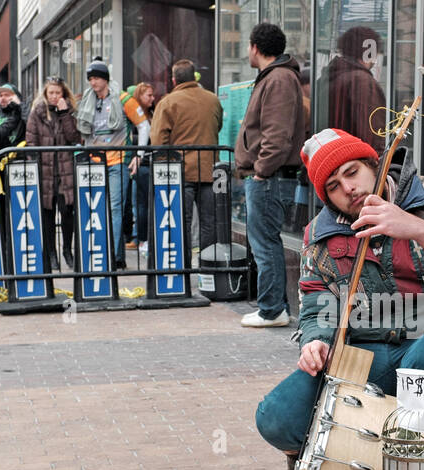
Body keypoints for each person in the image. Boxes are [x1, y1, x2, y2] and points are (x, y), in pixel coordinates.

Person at [255, 127, 424, 470]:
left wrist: (416, 228)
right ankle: (316, 460)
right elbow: (315, 302)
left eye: (352, 172)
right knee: (276, 416)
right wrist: (317, 340)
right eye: (334, 186)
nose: (348, 189)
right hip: (365, 353)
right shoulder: (318, 234)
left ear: (374, 163)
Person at [234, 22, 306, 327]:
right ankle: (273, 306)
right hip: (271, 177)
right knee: (266, 241)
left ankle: (272, 308)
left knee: (265, 242)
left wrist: (262, 171)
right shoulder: (277, 77)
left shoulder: (277, 79)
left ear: (255, 47)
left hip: (270, 178)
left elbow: (277, 135)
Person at [151, 59, 224, 256]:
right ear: (194, 76)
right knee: (209, 222)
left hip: (179, 172)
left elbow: (158, 139)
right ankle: (207, 266)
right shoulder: (213, 99)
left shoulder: (168, 102)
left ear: (174, 80)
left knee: (181, 221)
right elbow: (218, 127)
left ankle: (182, 266)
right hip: (210, 170)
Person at [25, 76, 83, 272]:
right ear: (45, 93)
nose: (54, 96)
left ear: (63, 94)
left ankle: (67, 249)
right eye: (51, 92)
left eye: (58, 92)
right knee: (47, 214)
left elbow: (74, 137)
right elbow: (31, 141)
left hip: (64, 171)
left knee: (67, 212)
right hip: (45, 171)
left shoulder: (69, 112)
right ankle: (51, 253)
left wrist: (65, 112)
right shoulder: (37, 113)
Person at [75, 58, 129, 268]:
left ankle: (114, 256)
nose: (93, 83)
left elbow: (143, 125)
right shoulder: (88, 100)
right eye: (90, 79)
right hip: (94, 161)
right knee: (98, 208)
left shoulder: (122, 98)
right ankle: (106, 252)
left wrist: (138, 155)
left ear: (105, 79)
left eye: (96, 78)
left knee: (115, 208)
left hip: (117, 161)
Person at [324, 26, 386, 150]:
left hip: (334, 154)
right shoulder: (361, 81)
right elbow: (371, 131)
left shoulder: (332, 76)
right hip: (356, 159)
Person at [119, 81, 155, 253]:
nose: (152, 98)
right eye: (149, 95)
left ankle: (140, 237)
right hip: (137, 165)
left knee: (141, 204)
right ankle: (139, 238)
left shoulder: (153, 113)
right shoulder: (132, 115)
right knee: (137, 204)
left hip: (147, 163)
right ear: (139, 96)